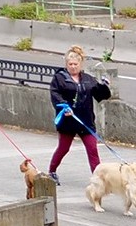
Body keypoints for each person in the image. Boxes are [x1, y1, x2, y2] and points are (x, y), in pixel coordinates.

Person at [48, 45, 112, 185]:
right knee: (63, 148)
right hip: (68, 121)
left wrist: (104, 86)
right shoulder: (59, 78)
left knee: (92, 149)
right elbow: (55, 94)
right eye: (70, 64)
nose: (72, 67)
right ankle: (52, 171)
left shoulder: (88, 79)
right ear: (66, 64)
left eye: (75, 64)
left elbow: (100, 95)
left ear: (80, 64)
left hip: (85, 121)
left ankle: (98, 179)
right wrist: (64, 106)